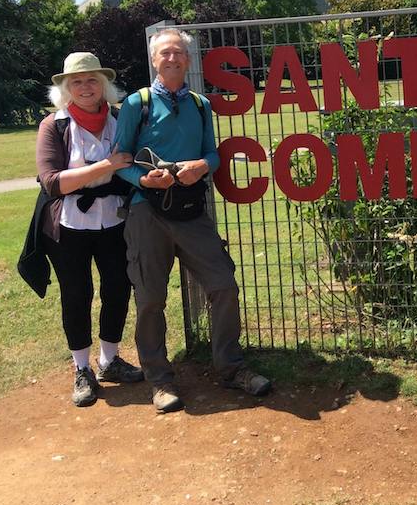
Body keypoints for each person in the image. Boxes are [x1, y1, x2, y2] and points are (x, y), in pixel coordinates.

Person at [113, 28, 270, 414]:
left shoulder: (201, 105)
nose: (172, 59)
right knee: (150, 299)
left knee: (224, 286)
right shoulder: (137, 103)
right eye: (165, 53)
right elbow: (121, 161)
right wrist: (144, 179)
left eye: (179, 53)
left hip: (191, 213)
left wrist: (203, 165)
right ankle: (159, 380)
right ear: (154, 60)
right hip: (146, 213)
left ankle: (230, 368)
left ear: (188, 60)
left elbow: (212, 155)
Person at [33, 52, 144, 407]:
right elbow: (51, 182)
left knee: (117, 287)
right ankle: (82, 368)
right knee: (76, 294)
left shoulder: (118, 117)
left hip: (114, 220)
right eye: (77, 82)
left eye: (92, 80)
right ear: (66, 88)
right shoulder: (55, 125)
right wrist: (106, 166)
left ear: (104, 85)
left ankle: (109, 360)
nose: (85, 87)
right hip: (70, 226)